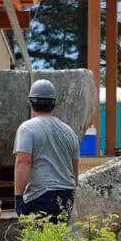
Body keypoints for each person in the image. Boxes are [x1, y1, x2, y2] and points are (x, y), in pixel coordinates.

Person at [13, 79, 80, 224]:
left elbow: (23, 163)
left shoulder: (27, 129)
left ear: (31, 102)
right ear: (53, 104)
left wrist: (18, 196)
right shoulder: (69, 132)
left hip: (40, 196)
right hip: (67, 196)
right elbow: (74, 169)